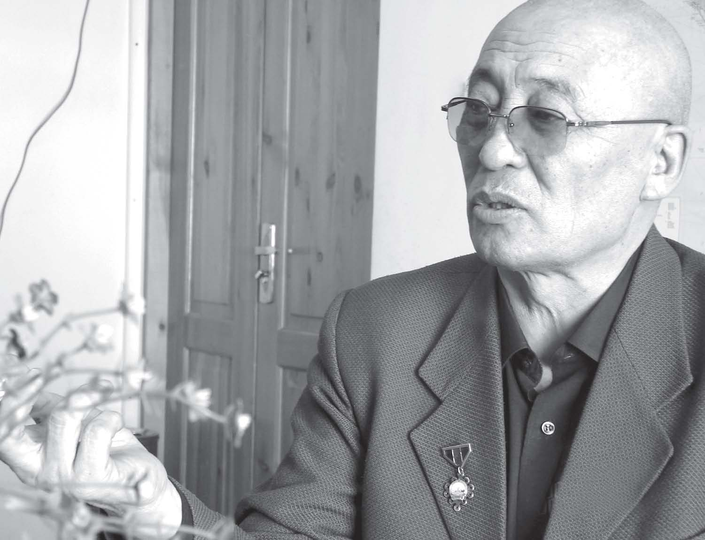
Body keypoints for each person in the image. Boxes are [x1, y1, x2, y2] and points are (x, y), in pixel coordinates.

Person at [1, 0, 703, 538]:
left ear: (660, 162)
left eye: (547, 116)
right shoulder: (377, 330)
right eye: (478, 111)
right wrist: (155, 511)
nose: (491, 152)